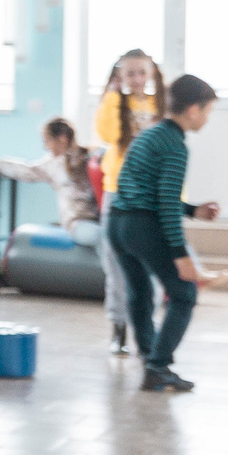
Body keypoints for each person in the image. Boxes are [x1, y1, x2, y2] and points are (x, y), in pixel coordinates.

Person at [109, 73, 221, 393]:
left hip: (117, 223)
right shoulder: (175, 145)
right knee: (185, 293)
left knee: (140, 293)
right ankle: (159, 366)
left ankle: (149, 356)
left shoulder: (150, 134)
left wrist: (194, 210)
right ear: (193, 110)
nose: (208, 119)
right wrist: (180, 254)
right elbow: (166, 205)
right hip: (142, 226)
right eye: (208, 111)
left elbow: (157, 194)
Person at [93, 52, 163, 354]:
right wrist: (111, 94)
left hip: (151, 194)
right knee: (116, 266)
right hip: (118, 192)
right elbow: (107, 133)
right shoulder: (116, 104)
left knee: (154, 267)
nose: (136, 79)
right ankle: (118, 326)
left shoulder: (160, 106)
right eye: (129, 74)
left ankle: (146, 328)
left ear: (150, 74)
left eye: (141, 73)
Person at [0, 117, 100, 238]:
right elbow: (26, 170)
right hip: (78, 223)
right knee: (100, 237)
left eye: (47, 141)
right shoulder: (53, 164)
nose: (45, 147)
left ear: (62, 139)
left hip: (98, 220)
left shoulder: (90, 157)